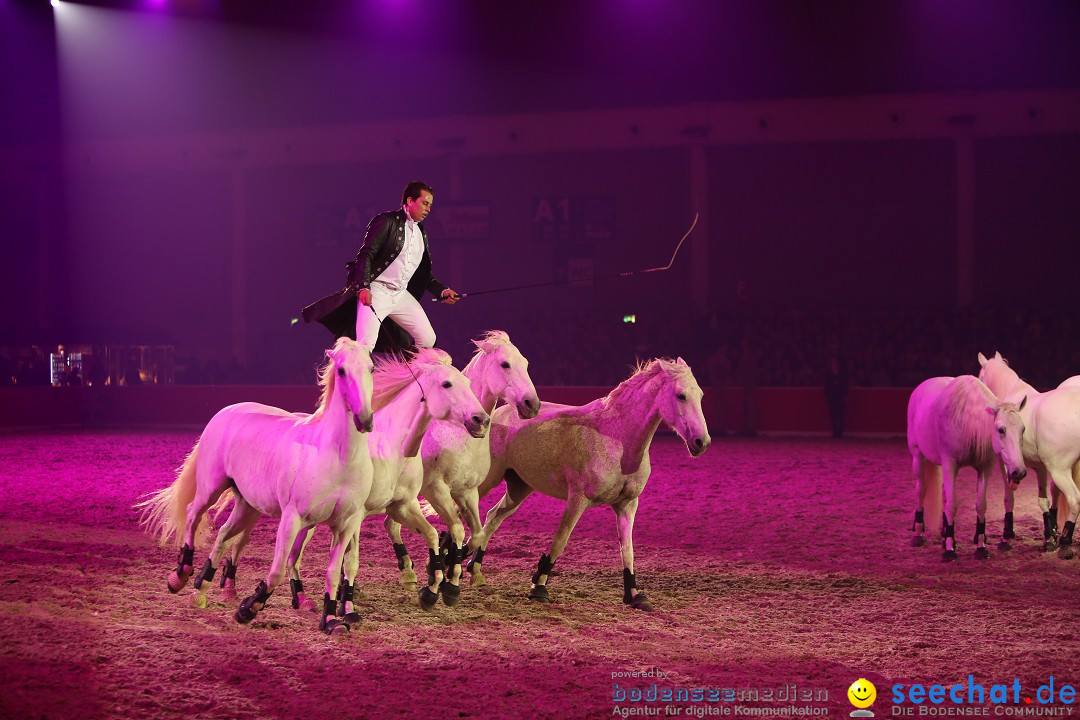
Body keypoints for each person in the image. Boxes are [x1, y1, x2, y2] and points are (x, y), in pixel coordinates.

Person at [302, 181, 460, 351]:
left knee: (428, 339)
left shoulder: (421, 232)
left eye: (430, 205)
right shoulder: (386, 221)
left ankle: (406, 375)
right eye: (425, 203)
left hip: (400, 294)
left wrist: (442, 291)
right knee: (365, 345)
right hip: (377, 291)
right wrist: (363, 287)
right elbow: (366, 254)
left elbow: (421, 273)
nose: (428, 209)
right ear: (409, 201)